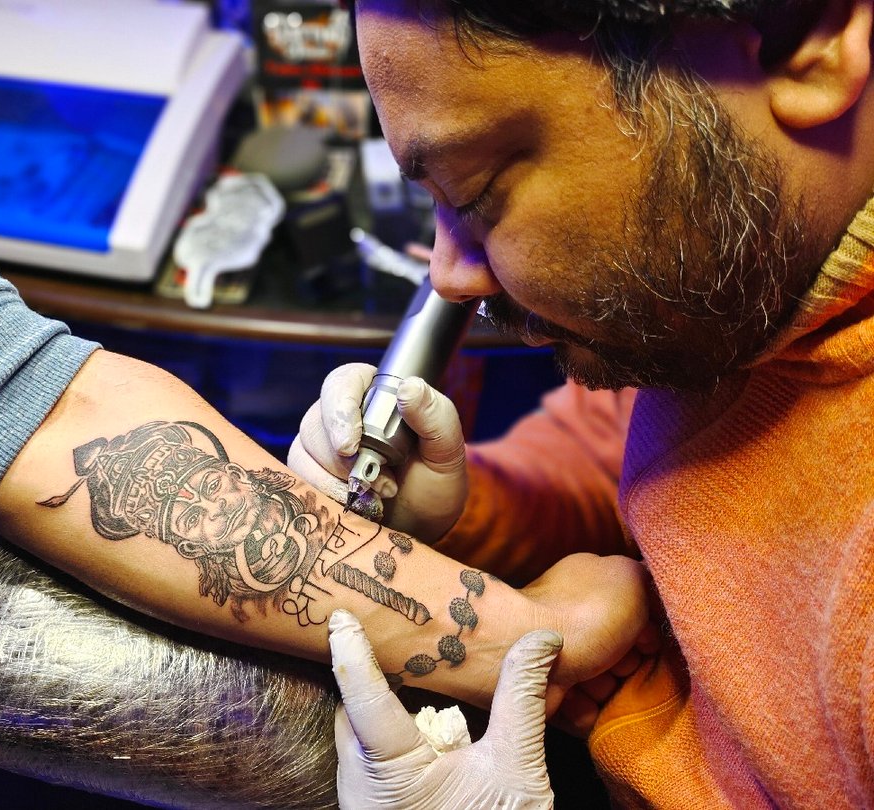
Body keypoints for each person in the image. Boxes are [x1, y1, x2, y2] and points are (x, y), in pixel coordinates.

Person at [0, 0, 650, 804]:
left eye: (477, 194)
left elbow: (16, 397)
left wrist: (509, 587)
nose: (448, 275)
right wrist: (499, 592)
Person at [290, 0, 874, 805]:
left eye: (475, 191)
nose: (448, 278)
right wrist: (464, 509)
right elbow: (633, 429)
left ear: (803, 43)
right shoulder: (735, 290)